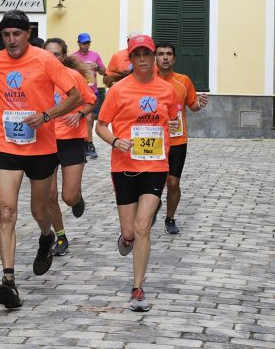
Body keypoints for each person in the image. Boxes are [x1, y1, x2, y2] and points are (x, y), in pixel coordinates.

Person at [0, 10, 81, 309]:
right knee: (7, 212)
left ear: (28, 33)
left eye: (16, 34)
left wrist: (47, 115)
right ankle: (8, 281)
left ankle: (46, 236)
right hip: (6, 146)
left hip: (41, 148)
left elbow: (74, 96)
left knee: (39, 209)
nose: (11, 40)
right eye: (6, 35)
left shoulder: (46, 60)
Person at [95, 34, 179, 312]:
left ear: (154, 56)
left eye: (147, 53)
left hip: (155, 167)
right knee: (130, 231)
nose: (142, 58)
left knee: (143, 226)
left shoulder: (167, 91)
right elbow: (101, 125)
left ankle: (138, 288)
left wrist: (171, 148)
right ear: (130, 59)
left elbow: (174, 123)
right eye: (137, 54)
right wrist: (115, 141)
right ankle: (127, 238)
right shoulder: (118, 90)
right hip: (124, 166)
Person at [43, 38, 97, 256]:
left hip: (71, 139)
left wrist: (79, 114)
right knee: (49, 194)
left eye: (56, 54)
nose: (51, 58)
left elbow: (90, 101)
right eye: (47, 53)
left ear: (63, 56)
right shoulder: (38, 78)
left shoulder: (73, 76)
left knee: (68, 196)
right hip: (45, 140)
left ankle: (77, 197)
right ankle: (61, 236)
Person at [155, 41, 208, 234]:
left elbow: (192, 106)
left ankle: (170, 218)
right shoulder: (147, 80)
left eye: (169, 54)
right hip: (154, 141)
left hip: (177, 140)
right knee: (154, 182)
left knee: (173, 182)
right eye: (161, 54)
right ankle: (152, 207)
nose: (165, 57)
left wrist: (200, 104)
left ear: (174, 58)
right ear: (156, 58)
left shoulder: (183, 81)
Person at [72, 33, 106, 159]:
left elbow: (104, 72)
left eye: (88, 43)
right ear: (78, 43)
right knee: (87, 117)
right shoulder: (73, 57)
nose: (86, 46)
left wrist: (97, 68)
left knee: (89, 118)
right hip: (79, 92)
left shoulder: (95, 55)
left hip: (93, 92)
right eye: (83, 43)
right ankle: (88, 144)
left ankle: (87, 142)